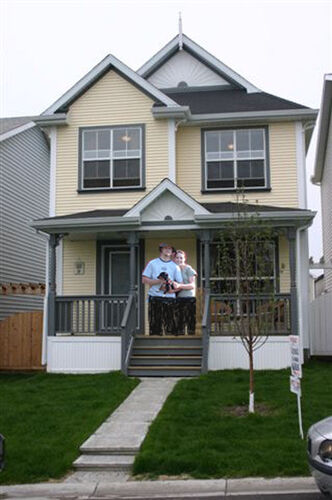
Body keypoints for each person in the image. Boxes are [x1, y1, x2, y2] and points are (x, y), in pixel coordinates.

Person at [142, 243, 182, 335]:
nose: (168, 250)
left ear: (172, 252)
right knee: (155, 325)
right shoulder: (153, 263)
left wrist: (172, 289)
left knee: (170, 325)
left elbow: (180, 284)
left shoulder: (175, 266)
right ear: (161, 250)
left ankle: (171, 347)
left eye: (170, 249)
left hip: (170, 298)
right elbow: (144, 279)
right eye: (165, 248)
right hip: (155, 296)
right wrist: (159, 281)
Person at [174, 250, 197, 335]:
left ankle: (192, 340)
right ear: (174, 259)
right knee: (179, 322)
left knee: (190, 321)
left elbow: (192, 285)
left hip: (188, 297)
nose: (179, 259)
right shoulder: (174, 269)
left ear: (185, 259)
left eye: (181, 258)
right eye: (177, 257)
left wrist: (180, 286)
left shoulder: (188, 269)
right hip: (178, 297)